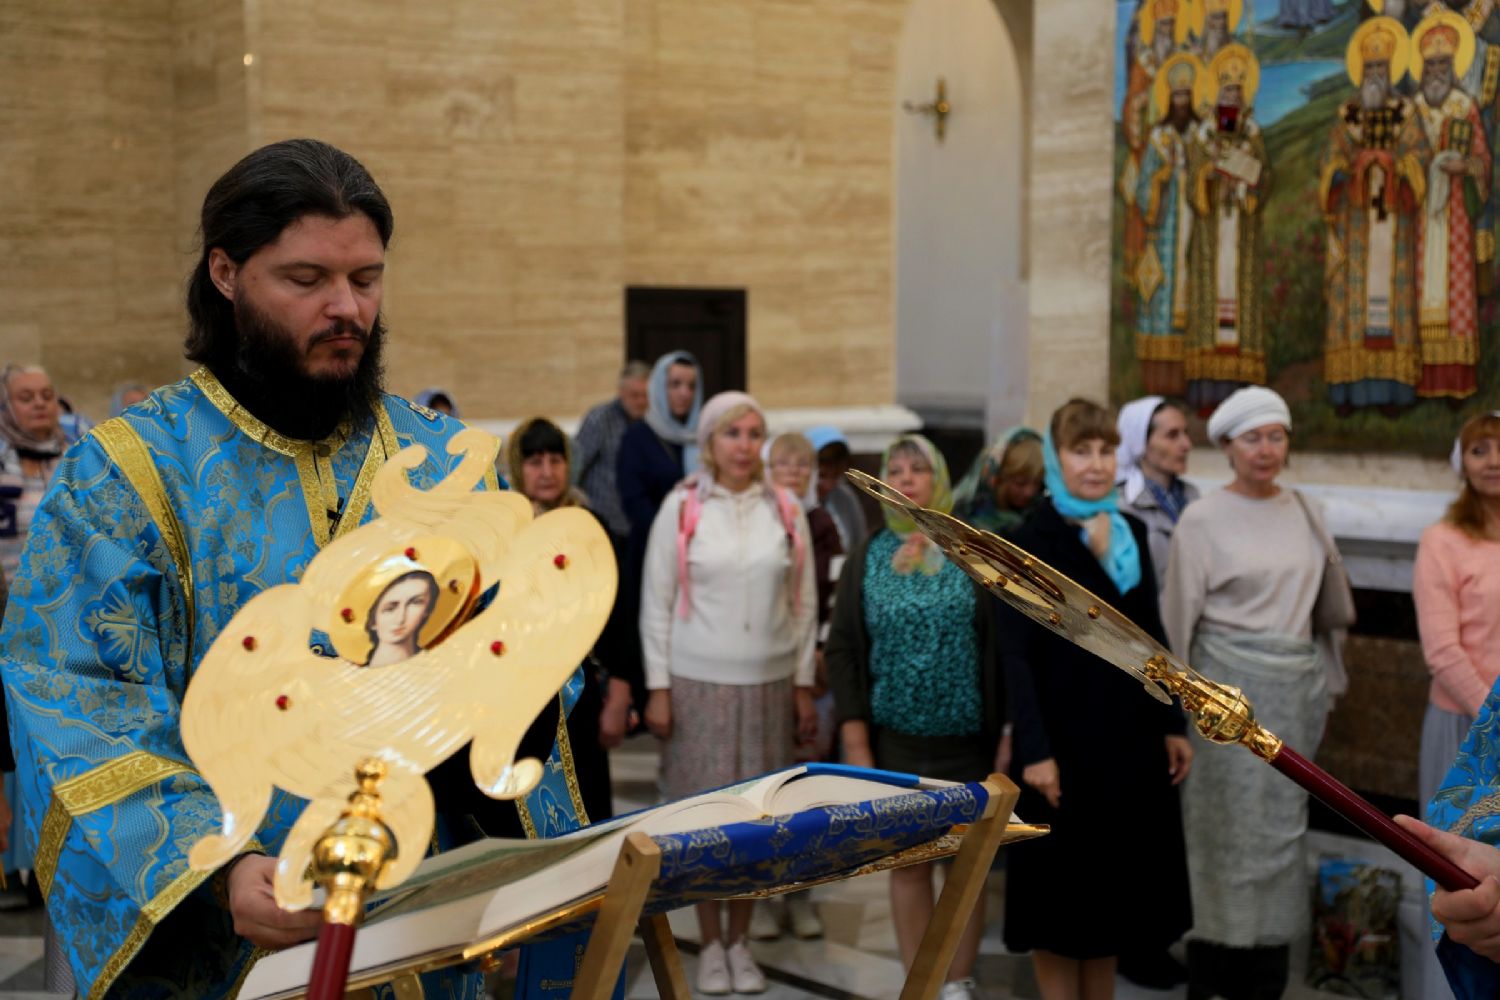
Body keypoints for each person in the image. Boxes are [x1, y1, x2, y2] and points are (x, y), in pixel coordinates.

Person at [0, 139, 586, 1000]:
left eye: (366, 279)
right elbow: (76, 693)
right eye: (306, 279)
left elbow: (523, 672)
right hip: (221, 933)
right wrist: (215, 864)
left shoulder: (445, 462)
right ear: (226, 273)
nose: (346, 308)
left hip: (411, 922)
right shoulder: (126, 474)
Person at [1000, 398, 1192, 1000]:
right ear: (1055, 459)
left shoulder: (1130, 532)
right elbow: (1016, 658)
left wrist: (1174, 722)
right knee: (1059, 906)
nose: (1095, 463)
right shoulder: (1029, 541)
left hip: (1126, 744)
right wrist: (1035, 751)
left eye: (1106, 450)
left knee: (1111, 905)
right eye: (1080, 450)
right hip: (1059, 745)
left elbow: (1151, 636)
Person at [1163, 385, 1349, 1000]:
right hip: (1222, 700)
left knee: (1281, 831)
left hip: (1293, 693)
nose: (1266, 450)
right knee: (1220, 833)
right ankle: (1211, 971)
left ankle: (1266, 973)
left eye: (1276, 436)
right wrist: (1176, 713)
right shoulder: (1202, 519)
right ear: (1227, 446)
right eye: (1253, 439)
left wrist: (1327, 686)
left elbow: (1323, 615)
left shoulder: (1306, 510)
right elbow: (1177, 621)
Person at [639, 391, 816, 996]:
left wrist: (802, 682)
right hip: (698, 687)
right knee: (706, 819)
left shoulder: (784, 508)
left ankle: (741, 942)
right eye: (732, 433)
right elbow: (656, 603)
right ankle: (710, 942)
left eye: (753, 434)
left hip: (768, 686)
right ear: (710, 442)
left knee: (758, 820)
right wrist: (658, 687)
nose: (744, 445)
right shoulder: (682, 507)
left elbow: (804, 605)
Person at [825, 433, 1005, 1000]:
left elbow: (1002, 647)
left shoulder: (971, 549)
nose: (905, 478)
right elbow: (843, 648)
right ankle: (922, 982)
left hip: (968, 742)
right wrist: (856, 741)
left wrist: (1007, 732)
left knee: (965, 865)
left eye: (917, 469)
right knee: (908, 866)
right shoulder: (869, 555)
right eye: (895, 469)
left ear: (940, 479)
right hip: (896, 744)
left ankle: (958, 981)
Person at [1412, 409, 1500, 998]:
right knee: (1454, 876)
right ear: (1461, 463)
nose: (1494, 461)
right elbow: (1443, 651)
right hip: (1464, 733)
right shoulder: (1442, 541)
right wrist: (1496, 717)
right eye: (1479, 450)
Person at [504, 415, 623, 822]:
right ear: (517, 467)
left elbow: (617, 612)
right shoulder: (508, 529)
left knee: (587, 794)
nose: (547, 472)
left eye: (556, 460)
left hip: (584, 687)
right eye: (535, 461)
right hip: (522, 689)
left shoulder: (590, 524)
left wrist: (620, 689)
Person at [613, 351, 703, 715]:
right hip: (651, 550)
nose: (684, 393)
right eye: (675, 384)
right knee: (652, 623)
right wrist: (674, 536)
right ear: (659, 388)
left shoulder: (702, 437)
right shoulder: (638, 437)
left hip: (699, 554)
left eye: (691, 386)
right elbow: (632, 499)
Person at [1115, 395, 1198, 592]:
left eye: (1185, 433)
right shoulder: (1123, 504)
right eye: (1172, 435)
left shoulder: (1193, 496)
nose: (1186, 444)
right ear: (1140, 443)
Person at [573, 360, 650, 547]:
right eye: (635, 395)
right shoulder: (599, 419)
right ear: (621, 392)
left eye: (646, 395)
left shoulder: (654, 423)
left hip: (641, 527)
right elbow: (576, 466)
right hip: (603, 524)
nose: (641, 401)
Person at [951, 426, 1044, 537]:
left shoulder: (1042, 518)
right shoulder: (961, 517)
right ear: (998, 478)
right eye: (1020, 483)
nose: (1030, 492)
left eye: (1037, 483)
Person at [805, 424, 869, 551]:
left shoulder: (844, 496)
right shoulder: (793, 502)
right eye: (822, 476)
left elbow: (860, 544)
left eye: (835, 476)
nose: (829, 485)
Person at [365, 570, 438, 667]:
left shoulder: (435, 662)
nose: (400, 619)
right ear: (372, 620)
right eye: (390, 609)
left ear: (427, 609)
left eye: (415, 603)